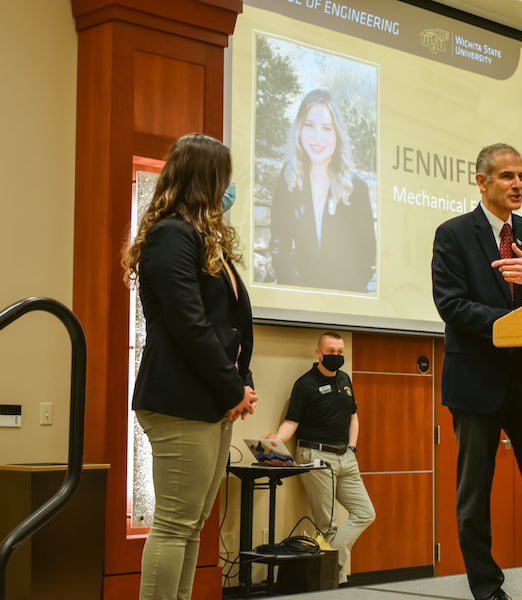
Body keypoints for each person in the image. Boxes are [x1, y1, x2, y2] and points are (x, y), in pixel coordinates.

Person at [124, 133, 258, 600]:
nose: (231, 186)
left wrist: (243, 381)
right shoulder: (170, 235)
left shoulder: (202, 238)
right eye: (225, 176)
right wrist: (231, 390)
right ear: (206, 178)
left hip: (208, 398)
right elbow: (189, 325)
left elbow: (230, 325)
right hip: (180, 396)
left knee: (192, 524)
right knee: (175, 522)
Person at [431, 143, 522, 600]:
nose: (518, 185)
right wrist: (511, 324)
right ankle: (487, 589)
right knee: (474, 498)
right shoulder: (453, 234)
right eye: (507, 177)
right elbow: (451, 305)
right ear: (482, 182)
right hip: (476, 382)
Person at [266, 331, 375, 585]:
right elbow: (291, 423)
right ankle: (336, 580)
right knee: (329, 526)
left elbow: (353, 417)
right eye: (331, 351)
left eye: (340, 352)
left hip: (346, 457)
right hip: (315, 456)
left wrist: (352, 447)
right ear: (318, 353)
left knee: (365, 513)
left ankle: (323, 568)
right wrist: (275, 441)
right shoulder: (304, 384)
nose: (336, 356)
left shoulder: (345, 379)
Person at [270, 89, 376, 293]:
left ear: (337, 135)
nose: (318, 137)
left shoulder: (357, 188)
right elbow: (279, 243)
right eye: (309, 125)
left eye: (327, 128)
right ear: (299, 129)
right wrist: (297, 292)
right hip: (298, 300)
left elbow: (366, 254)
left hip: (345, 303)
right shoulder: (288, 177)